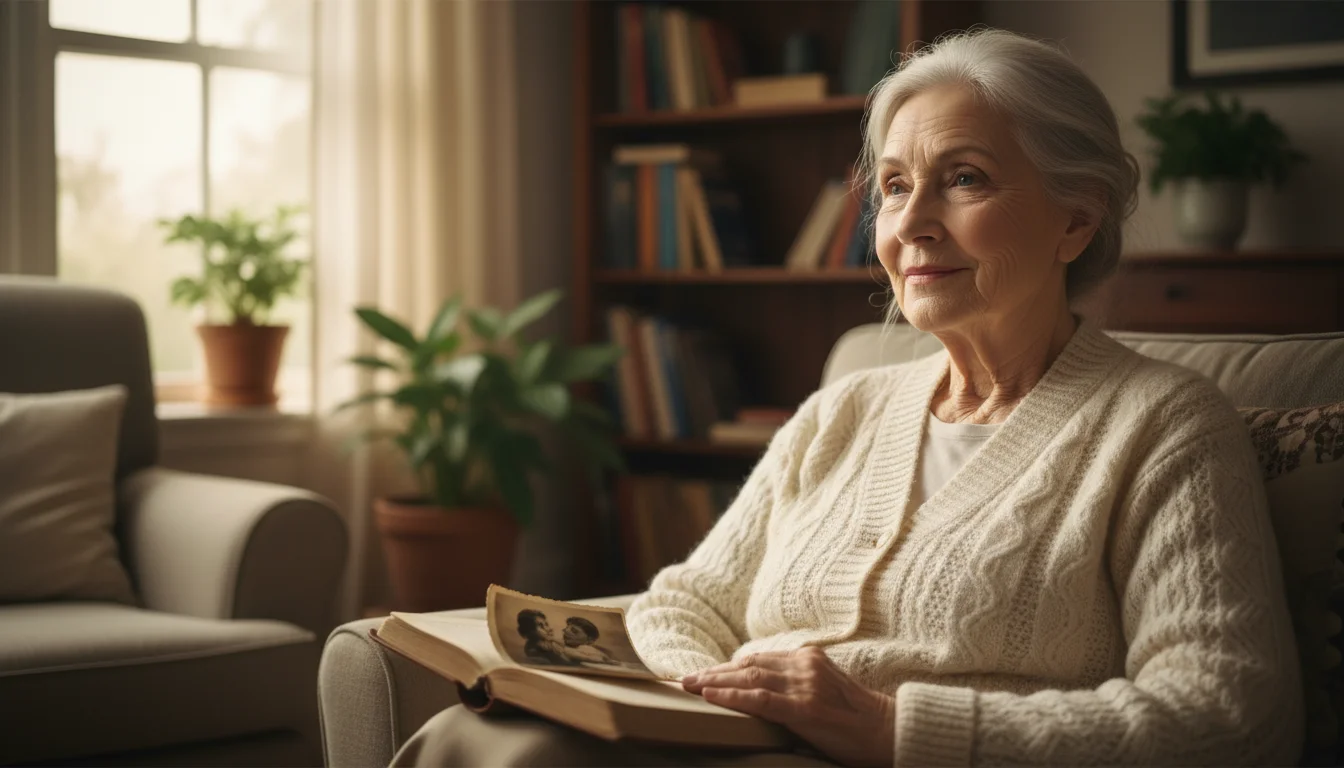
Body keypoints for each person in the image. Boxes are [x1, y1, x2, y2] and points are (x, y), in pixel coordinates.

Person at [393, 28, 1303, 767]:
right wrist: (706, 701)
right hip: (737, 749)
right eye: (896, 186)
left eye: (965, 178)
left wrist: (889, 728)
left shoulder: (1165, 425)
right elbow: (683, 605)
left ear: (1077, 217)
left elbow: (1230, 720)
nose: (911, 224)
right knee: (483, 741)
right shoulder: (844, 410)